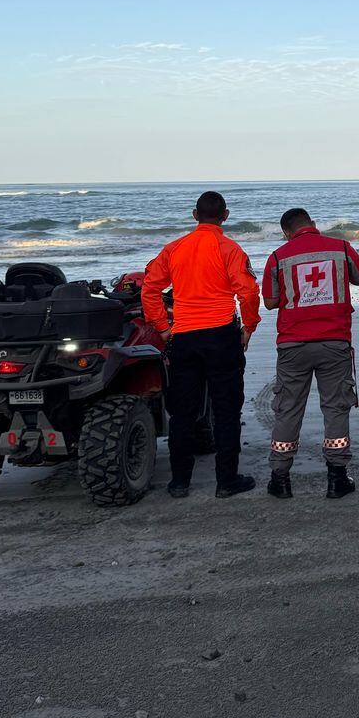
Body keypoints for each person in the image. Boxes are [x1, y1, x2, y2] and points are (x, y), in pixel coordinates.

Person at [142, 190, 260, 500]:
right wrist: (249, 326)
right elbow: (248, 293)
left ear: (195, 216)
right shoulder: (230, 249)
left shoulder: (174, 248)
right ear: (226, 215)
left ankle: (180, 482)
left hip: (185, 337)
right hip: (221, 335)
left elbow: (149, 290)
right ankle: (226, 480)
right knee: (226, 411)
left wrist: (163, 329)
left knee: (183, 412)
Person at [261, 207, 359, 500]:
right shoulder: (341, 248)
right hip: (334, 342)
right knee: (335, 408)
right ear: (313, 224)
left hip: (293, 345)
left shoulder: (277, 256)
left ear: (286, 232)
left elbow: (271, 302)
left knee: (287, 409)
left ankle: (280, 479)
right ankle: (337, 479)